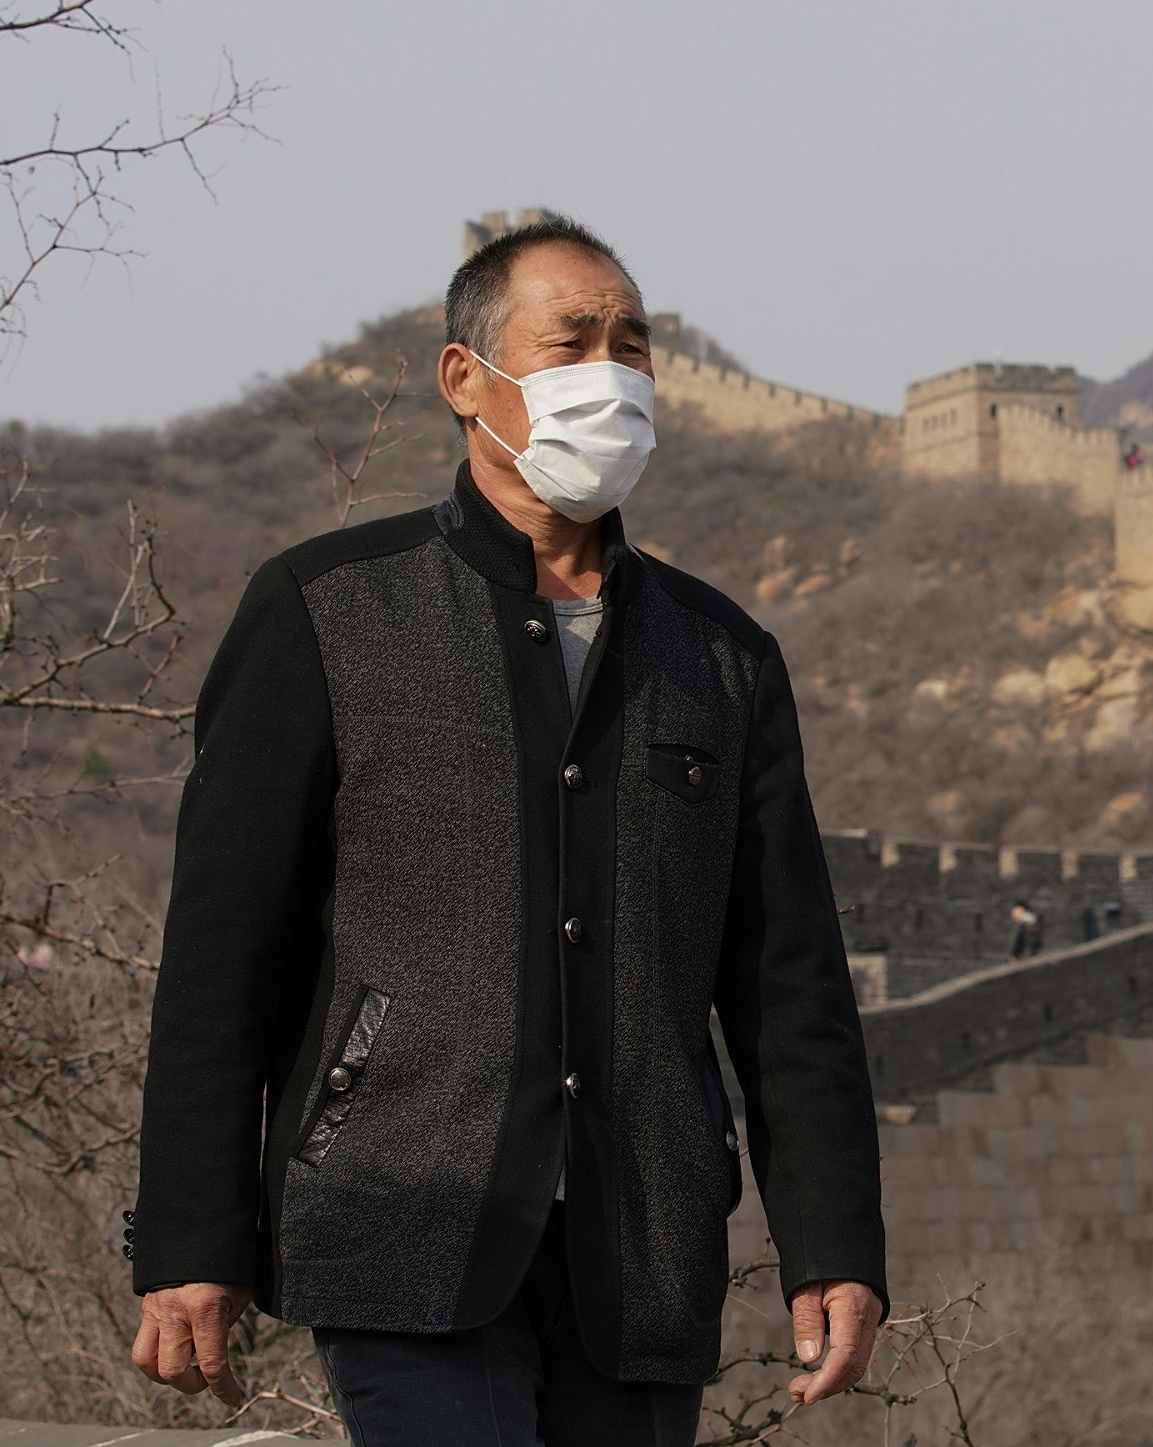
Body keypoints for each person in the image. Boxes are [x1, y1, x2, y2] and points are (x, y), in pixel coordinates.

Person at [127, 218, 888, 1446]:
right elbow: (223, 953)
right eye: (573, 340)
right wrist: (187, 1237)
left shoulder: (720, 659)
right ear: (465, 380)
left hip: (641, 1243)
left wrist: (836, 1241)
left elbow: (788, 980)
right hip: (399, 1209)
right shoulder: (329, 612)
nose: (612, 370)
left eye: (631, 345)